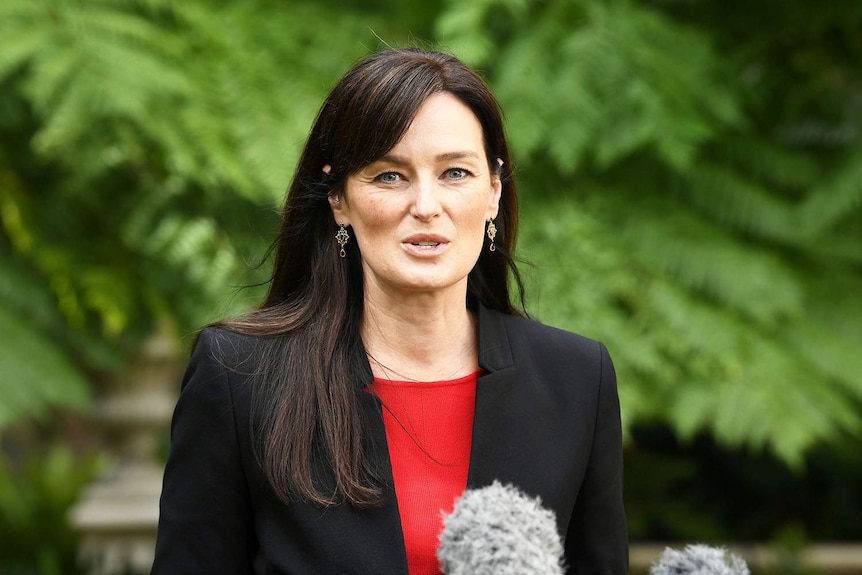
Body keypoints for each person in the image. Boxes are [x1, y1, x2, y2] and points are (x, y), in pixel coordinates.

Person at [151, 48, 628, 574]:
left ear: (494, 191)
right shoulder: (241, 376)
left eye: (455, 173)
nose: (426, 205)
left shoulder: (577, 380)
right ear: (339, 198)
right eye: (389, 176)